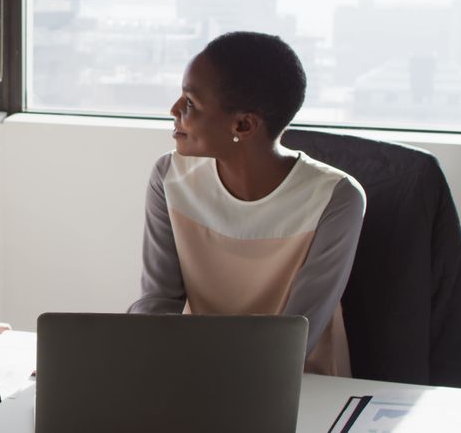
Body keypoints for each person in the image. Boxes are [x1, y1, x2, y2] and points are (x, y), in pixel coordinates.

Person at [128, 31, 365, 376]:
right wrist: (115, 357)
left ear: (244, 124)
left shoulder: (336, 198)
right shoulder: (170, 177)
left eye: (190, 103)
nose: (174, 110)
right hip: (194, 371)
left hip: (296, 382)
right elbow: (158, 300)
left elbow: (296, 335)